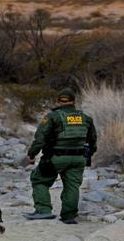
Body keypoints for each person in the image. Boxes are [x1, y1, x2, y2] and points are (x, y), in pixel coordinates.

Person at [24, 89, 96, 224]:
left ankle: (43, 210)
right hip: (79, 158)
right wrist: (87, 156)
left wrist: (32, 154)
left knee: (39, 180)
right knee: (72, 186)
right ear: (74, 101)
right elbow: (92, 141)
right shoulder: (86, 118)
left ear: (58, 101)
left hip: (56, 157)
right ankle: (69, 217)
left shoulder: (53, 117)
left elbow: (40, 138)